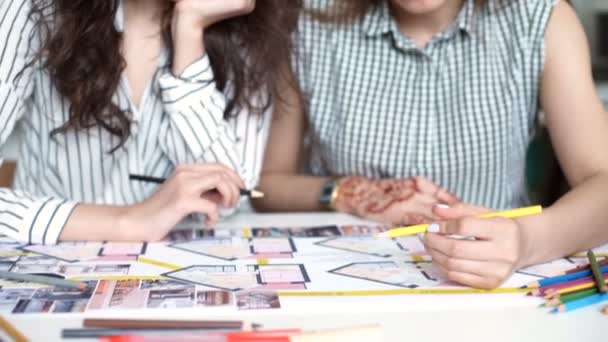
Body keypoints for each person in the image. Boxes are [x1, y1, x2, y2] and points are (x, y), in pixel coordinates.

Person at [255, 0, 608, 288]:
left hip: (493, 286)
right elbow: (267, 184)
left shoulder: (541, 19)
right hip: (344, 273)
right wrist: (347, 191)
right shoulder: (309, 22)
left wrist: (526, 241)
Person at [0, 0, 301, 244]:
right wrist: (127, 222)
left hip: (177, 276)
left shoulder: (248, 30)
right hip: (46, 266)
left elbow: (228, 198)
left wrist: (189, 30)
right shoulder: (30, 9)